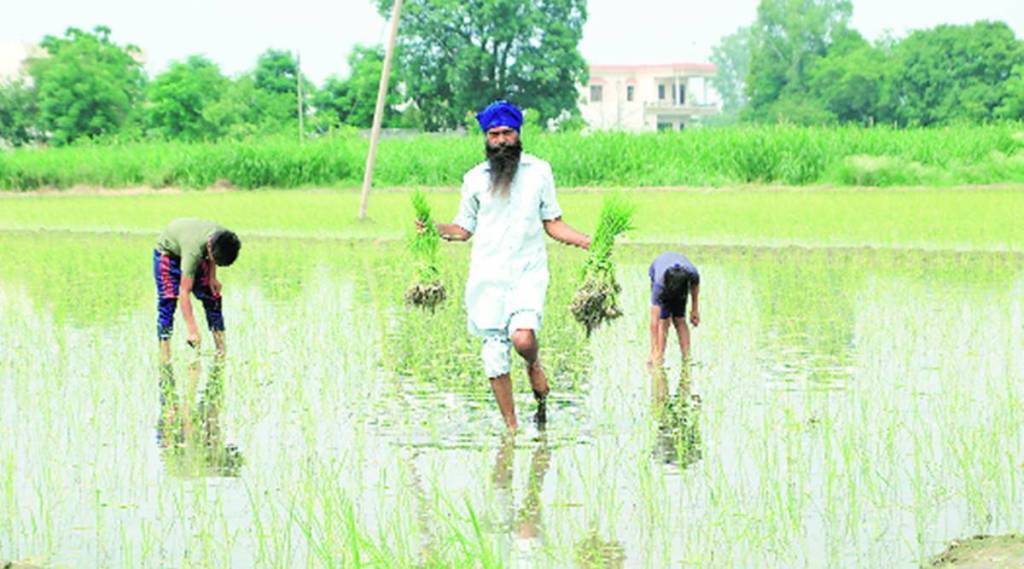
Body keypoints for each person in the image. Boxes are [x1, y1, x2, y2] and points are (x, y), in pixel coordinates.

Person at [421, 100, 591, 430]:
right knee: (494, 357)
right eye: (494, 134)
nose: (501, 140)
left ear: (518, 134)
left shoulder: (539, 172)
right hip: (487, 278)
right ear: (486, 137)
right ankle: (511, 429)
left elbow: (552, 222)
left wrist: (588, 242)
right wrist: (434, 228)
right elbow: (463, 229)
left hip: (528, 273)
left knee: (523, 338)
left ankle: (533, 364)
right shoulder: (473, 179)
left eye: (507, 133)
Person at [154, 218, 241, 365]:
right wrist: (192, 330)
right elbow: (184, 291)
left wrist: (213, 277)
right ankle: (165, 353)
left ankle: (220, 349)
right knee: (168, 300)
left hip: (198, 248)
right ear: (209, 249)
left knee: (212, 295)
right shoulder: (193, 252)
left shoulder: (223, 237)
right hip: (168, 255)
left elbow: (213, 255)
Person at [648, 251, 700, 366]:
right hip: (661, 274)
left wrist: (694, 309)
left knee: (679, 320)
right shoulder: (659, 284)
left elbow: (695, 286)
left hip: (680, 285)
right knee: (663, 321)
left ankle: (687, 357)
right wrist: (653, 352)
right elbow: (654, 321)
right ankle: (659, 356)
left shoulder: (692, 273)